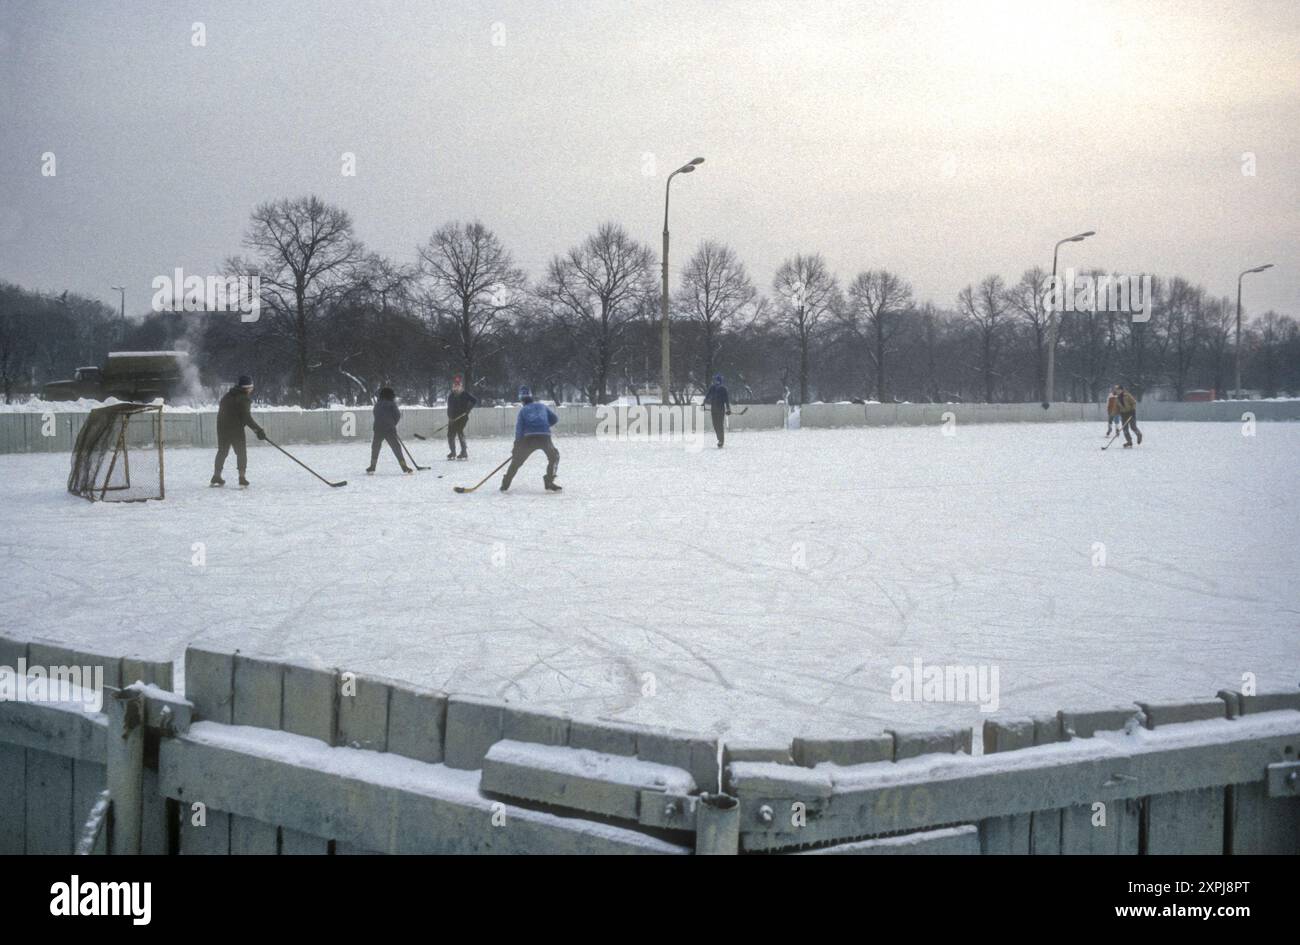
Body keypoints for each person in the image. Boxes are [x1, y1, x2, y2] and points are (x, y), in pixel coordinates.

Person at [500, 386, 560, 492]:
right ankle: (549, 481)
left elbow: (519, 431)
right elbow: (555, 419)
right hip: (544, 436)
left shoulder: (523, 411)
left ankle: (505, 484)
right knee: (554, 457)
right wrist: (544, 425)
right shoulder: (542, 406)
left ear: (521, 399)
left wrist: (516, 447)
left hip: (529, 439)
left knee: (517, 461)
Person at [212, 375, 266, 487]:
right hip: (236, 430)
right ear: (247, 387)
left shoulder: (227, 396)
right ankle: (242, 477)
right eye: (251, 387)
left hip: (222, 428)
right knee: (241, 453)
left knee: (222, 451)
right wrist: (258, 430)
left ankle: (216, 476)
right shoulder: (244, 399)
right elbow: (246, 418)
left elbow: (222, 413)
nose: (252, 389)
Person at [368, 387, 412, 474]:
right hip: (389, 429)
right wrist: (392, 424)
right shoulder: (392, 404)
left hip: (378, 429)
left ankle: (372, 466)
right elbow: (397, 415)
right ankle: (404, 466)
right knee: (396, 448)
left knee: (375, 447)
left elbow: (375, 414)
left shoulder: (377, 404)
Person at [446, 374, 478, 460]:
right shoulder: (451, 396)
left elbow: (474, 401)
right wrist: (450, 418)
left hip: (462, 417)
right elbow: (449, 408)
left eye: (458, 385)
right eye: (454, 385)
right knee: (450, 435)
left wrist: (468, 410)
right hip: (452, 418)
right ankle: (453, 452)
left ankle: (464, 452)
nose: (456, 387)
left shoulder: (465, 394)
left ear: (460, 386)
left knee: (460, 432)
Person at [703, 373, 731, 448]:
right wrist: (703, 404)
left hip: (721, 409)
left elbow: (727, 400)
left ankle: (721, 441)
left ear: (720, 381)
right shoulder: (712, 388)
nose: (717, 382)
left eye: (718, 380)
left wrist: (728, 408)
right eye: (716, 380)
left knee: (720, 425)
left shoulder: (723, 389)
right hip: (713, 410)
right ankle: (719, 439)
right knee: (715, 425)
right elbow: (707, 396)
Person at [1116, 384, 1143, 448]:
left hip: (1130, 413)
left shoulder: (1127, 395)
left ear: (1122, 390)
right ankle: (1129, 442)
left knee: (1133, 427)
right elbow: (1117, 407)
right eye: (1117, 390)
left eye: (1119, 390)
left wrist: (1133, 410)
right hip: (1123, 414)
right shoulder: (1117, 398)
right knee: (1125, 429)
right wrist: (1116, 413)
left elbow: (1133, 402)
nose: (1118, 391)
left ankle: (1139, 434)